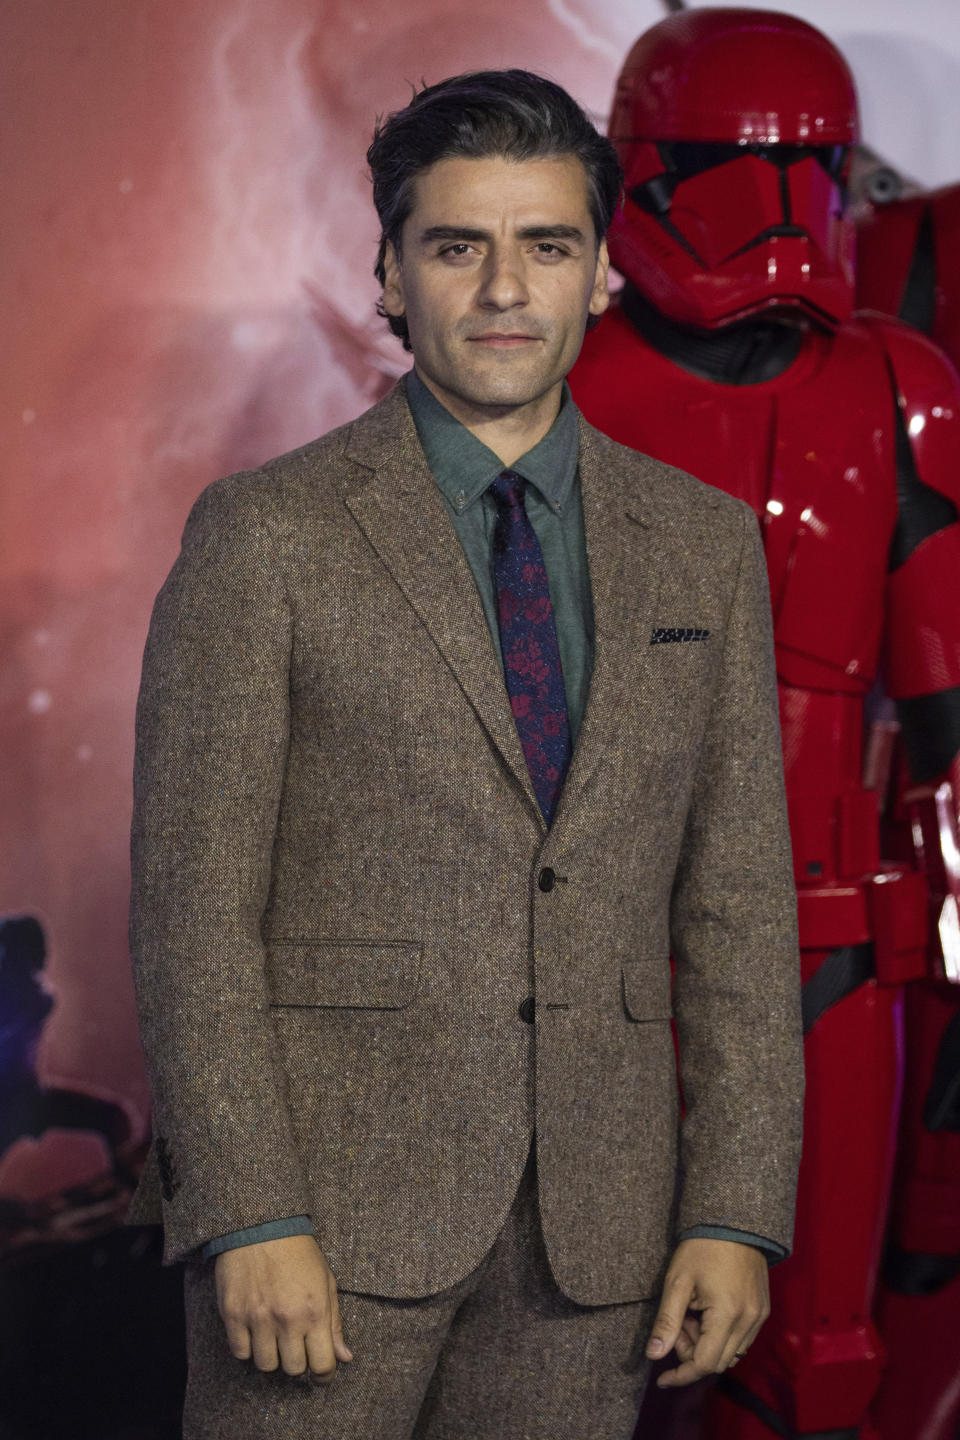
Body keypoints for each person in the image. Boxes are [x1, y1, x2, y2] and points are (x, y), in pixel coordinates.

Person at [126, 70, 803, 1440]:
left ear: (602, 273)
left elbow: (738, 905)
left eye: (546, 245)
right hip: (320, 1226)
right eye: (457, 246)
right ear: (390, 274)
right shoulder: (266, 537)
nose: (505, 288)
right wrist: (247, 1208)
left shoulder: (703, 542)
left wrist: (737, 1207)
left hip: (598, 1244)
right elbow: (193, 908)